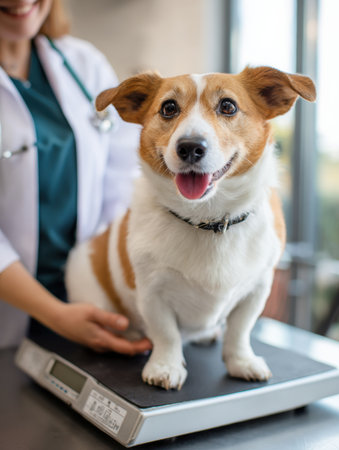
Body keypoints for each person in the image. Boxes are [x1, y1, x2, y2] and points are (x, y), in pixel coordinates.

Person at [0, 0, 152, 354]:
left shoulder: (85, 65)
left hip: (88, 302)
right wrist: (54, 313)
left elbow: (123, 178)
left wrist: (101, 281)